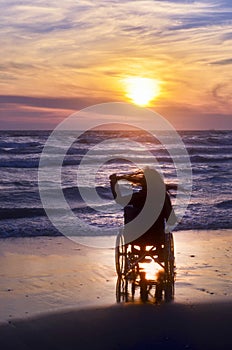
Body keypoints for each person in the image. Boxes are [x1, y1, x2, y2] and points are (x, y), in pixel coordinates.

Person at [109, 168, 177, 259]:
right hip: (157, 238)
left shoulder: (137, 197)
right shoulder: (163, 198)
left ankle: (141, 251)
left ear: (143, 183)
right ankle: (159, 251)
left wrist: (113, 184)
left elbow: (120, 200)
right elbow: (171, 221)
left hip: (135, 238)